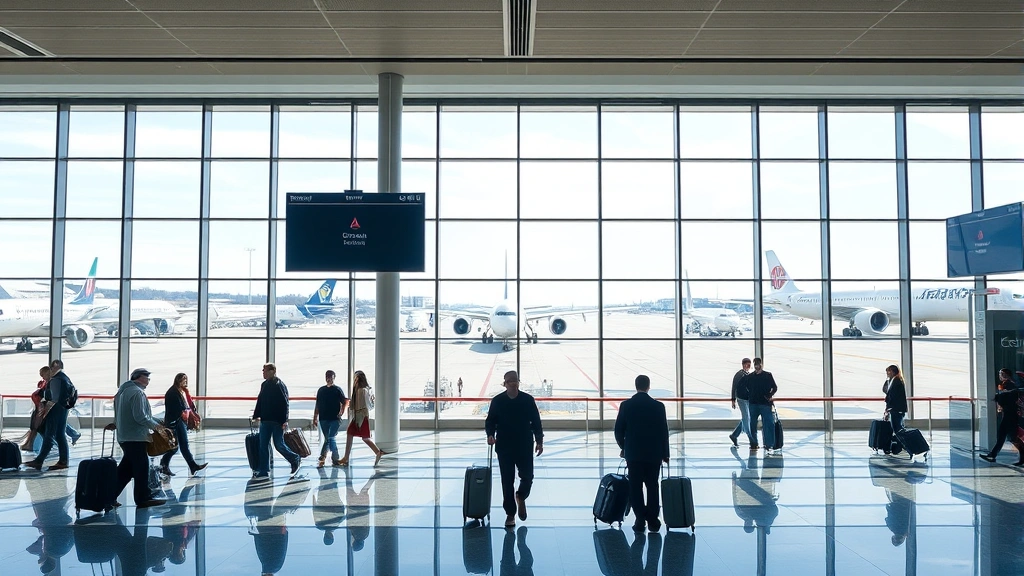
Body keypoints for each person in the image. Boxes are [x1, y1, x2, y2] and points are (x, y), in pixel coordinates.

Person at [485, 370, 544, 529]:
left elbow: (536, 421)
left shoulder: (527, 400)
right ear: (504, 383)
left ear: (519, 382)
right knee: (507, 480)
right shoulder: (498, 401)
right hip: (504, 446)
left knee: (528, 477)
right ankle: (510, 514)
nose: (513, 383)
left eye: (515, 380)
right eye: (510, 380)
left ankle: (521, 496)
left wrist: (539, 440)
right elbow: (490, 421)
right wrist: (490, 434)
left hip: (524, 445)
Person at [614, 374, 670, 532]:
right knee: (652, 486)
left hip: (633, 454)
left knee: (635, 486)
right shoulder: (658, 406)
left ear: (636, 386)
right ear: (648, 387)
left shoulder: (626, 405)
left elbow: (618, 430)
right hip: (654, 454)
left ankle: (640, 519)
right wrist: (665, 454)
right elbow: (663, 432)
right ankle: (653, 520)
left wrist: (624, 447)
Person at [113, 368, 168, 508]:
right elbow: (140, 417)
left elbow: (136, 414)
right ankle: (143, 498)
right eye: (147, 377)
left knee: (126, 470)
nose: (148, 380)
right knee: (142, 468)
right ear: (138, 377)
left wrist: (156, 421)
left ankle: (108, 496)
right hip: (136, 437)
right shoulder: (137, 393)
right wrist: (157, 427)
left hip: (124, 436)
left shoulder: (121, 393)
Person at [24, 359, 75, 472]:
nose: (51, 369)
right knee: (59, 435)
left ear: (57, 367)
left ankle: (39, 460)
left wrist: (43, 398)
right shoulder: (65, 378)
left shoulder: (57, 380)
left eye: (52, 367)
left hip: (55, 410)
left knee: (49, 435)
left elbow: (52, 397)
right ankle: (63, 460)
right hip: (63, 410)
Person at [252, 363, 302, 480]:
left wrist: (284, 420)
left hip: (277, 422)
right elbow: (260, 400)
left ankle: (294, 458)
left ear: (272, 371)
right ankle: (264, 470)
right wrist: (256, 415)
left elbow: (285, 403)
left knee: (279, 444)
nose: (263, 372)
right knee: (263, 445)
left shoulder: (279, 385)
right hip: (265, 420)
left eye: (265, 370)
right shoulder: (264, 385)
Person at [159, 373, 208, 477]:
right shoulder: (173, 392)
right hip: (176, 422)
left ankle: (165, 465)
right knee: (181, 445)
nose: (184, 382)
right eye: (182, 380)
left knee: (176, 447)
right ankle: (191, 466)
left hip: (180, 421)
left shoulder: (182, 391)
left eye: (185, 380)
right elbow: (176, 408)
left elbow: (187, 405)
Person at [337, 370, 385, 467]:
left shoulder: (361, 390)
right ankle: (376, 452)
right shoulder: (364, 390)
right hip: (361, 416)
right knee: (359, 436)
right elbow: (368, 405)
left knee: (361, 436)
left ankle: (377, 452)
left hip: (361, 416)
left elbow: (363, 405)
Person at [981, 368, 1023, 465]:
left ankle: (993, 455)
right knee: (1004, 436)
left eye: (1001, 374)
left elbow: (1008, 398)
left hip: (1010, 414)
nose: (1000, 376)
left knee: (1011, 437)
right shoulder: (1007, 384)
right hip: (1008, 414)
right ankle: (992, 455)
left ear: (1005, 374)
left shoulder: (1009, 384)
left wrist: (998, 398)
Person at [312, 369, 348, 468]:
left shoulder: (337, 390)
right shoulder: (321, 390)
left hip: (334, 418)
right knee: (328, 438)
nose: (328, 378)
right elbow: (317, 404)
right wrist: (315, 417)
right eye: (327, 376)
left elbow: (344, 401)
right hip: (323, 418)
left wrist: (341, 412)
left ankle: (333, 457)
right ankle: (325, 456)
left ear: (333, 378)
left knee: (330, 438)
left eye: (330, 377)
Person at [745, 358, 778, 454]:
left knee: (768, 424)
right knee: (752, 425)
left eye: (758, 364)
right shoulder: (750, 377)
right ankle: (754, 443)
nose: (757, 366)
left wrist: (769, 396)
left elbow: (774, 387)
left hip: (765, 404)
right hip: (753, 404)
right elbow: (747, 387)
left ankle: (769, 444)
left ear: (761, 365)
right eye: (755, 364)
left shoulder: (767, 375)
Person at [882, 364, 908, 455]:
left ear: (892, 371)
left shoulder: (896, 381)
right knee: (898, 428)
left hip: (896, 409)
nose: (887, 373)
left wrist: (888, 408)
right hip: (896, 409)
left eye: (888, 371)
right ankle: (903, 445)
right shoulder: (894, 380)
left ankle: (905, 445)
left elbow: (892, 396)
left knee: (897, 429)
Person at [729, 358, 753, 448]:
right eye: (747, 364)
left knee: (746, 418)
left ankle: (734, 435)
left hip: (747, 399)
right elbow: (734, 386)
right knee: (746, 417)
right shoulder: (739, 375)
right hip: (741, 399)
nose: (748, 366)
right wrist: (733, 399)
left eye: (749, 365)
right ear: (743, 365)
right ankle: (751, 438)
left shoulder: (748, 374)